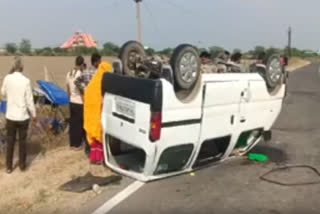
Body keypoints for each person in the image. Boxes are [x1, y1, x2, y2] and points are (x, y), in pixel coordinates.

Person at [1, 56, 36, 173]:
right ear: (22, 67)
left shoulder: (7, 78)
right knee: (22, 141)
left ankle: (9, 167)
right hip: (22, 116)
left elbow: (3, 93)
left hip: (10, 115)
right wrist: (34, 115)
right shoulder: (26, 81)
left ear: (13, 66)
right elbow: (29, 101)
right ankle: (22, 165)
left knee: (10, 140)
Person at [84, 62, 113, 164]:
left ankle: (94, 157)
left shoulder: (94, 81)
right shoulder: (102, 81)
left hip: (90, 113)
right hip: (97, 112)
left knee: (93, 135)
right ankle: (99, 158)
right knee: (99, 134)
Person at [74, 53, 102, 154]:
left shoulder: (85, 72)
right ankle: (96, 151)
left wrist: (84, 90)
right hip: (97, 103)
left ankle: (88, 149)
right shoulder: (99, 74)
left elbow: (76, 81)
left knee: (88, 125)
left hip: (88, 103)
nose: (100, 63)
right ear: (96, 62)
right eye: (99, 61)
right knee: (96, 127)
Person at [66, 56, 86, 150]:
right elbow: (81, 89)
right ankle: (78, 144)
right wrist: (84, 100)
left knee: (73, 123)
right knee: (79, 124)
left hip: (71, 101)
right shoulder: (79, 74)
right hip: (79, 102)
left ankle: (72, 144)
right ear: (82, 64)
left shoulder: (69, 73)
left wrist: (70, 97)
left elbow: (68, 88)